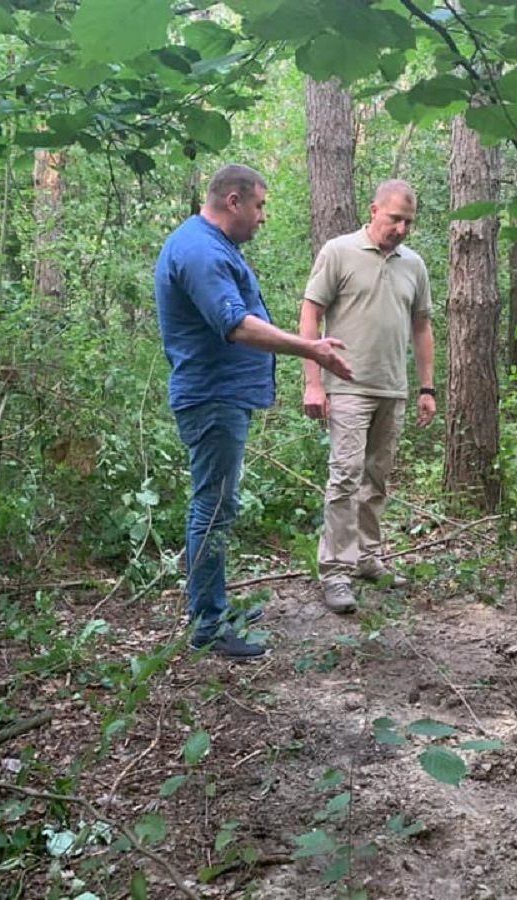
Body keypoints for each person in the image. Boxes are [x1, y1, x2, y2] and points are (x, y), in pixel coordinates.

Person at [155, 164, 354, 659]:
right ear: (233, 202)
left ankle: (215, 605)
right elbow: (235, 325)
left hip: (223, 395)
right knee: (213, 506)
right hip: (211, 397)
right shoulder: (200, 250)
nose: (263, 217)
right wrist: (311, 349)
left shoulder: (215, 247)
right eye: (260, 205)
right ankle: (206, 626)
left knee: (220, 504)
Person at [299, 179, 436, 614]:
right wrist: (314, 381)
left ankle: (366, 557)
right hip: (347, 386)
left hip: (391, 387)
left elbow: (422, 326)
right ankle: (335, 571)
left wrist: (426, 388)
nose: (401, 228)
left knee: (376, 477)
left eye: (409, 222)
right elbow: (311, 312)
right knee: (344, 476)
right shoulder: (338, 251)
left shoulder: (413, 265)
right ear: (374, 210)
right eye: (395, 218)